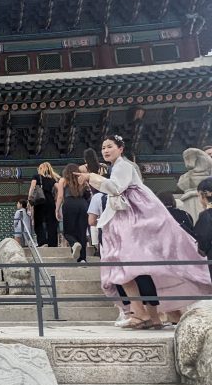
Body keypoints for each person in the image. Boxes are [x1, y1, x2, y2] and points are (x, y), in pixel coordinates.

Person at [78, 134, 211, 330]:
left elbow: (115, 188)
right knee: (131, 269)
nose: (105, 150)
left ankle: (140, 313)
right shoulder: (119, 167)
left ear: (120, 148)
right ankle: (146, 315)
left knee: (126, 267)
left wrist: (91, 177)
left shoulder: (123, 166)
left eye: (110, 146)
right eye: (103, 147)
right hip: (128, 219)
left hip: (131, 221)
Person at [56, 164, 90, 262]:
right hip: (83, 204)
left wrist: (57, 209)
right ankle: (82, 259)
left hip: (69, 203)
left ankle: (74, 243)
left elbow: (60, 196)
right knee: (82, 231)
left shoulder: (63, 180)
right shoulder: (82, 179)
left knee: (68, 231)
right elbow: (88, 193)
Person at [28, 163, 60, 247]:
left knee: (38, 222)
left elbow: (32, 187)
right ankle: (52, 243)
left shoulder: (36, 176)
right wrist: (56, 197)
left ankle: (42, 242)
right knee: (51, 222)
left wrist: (30, 199)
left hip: (40, 200)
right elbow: (59, 188)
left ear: (40, 168)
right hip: (50, 200)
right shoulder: (52, 179)